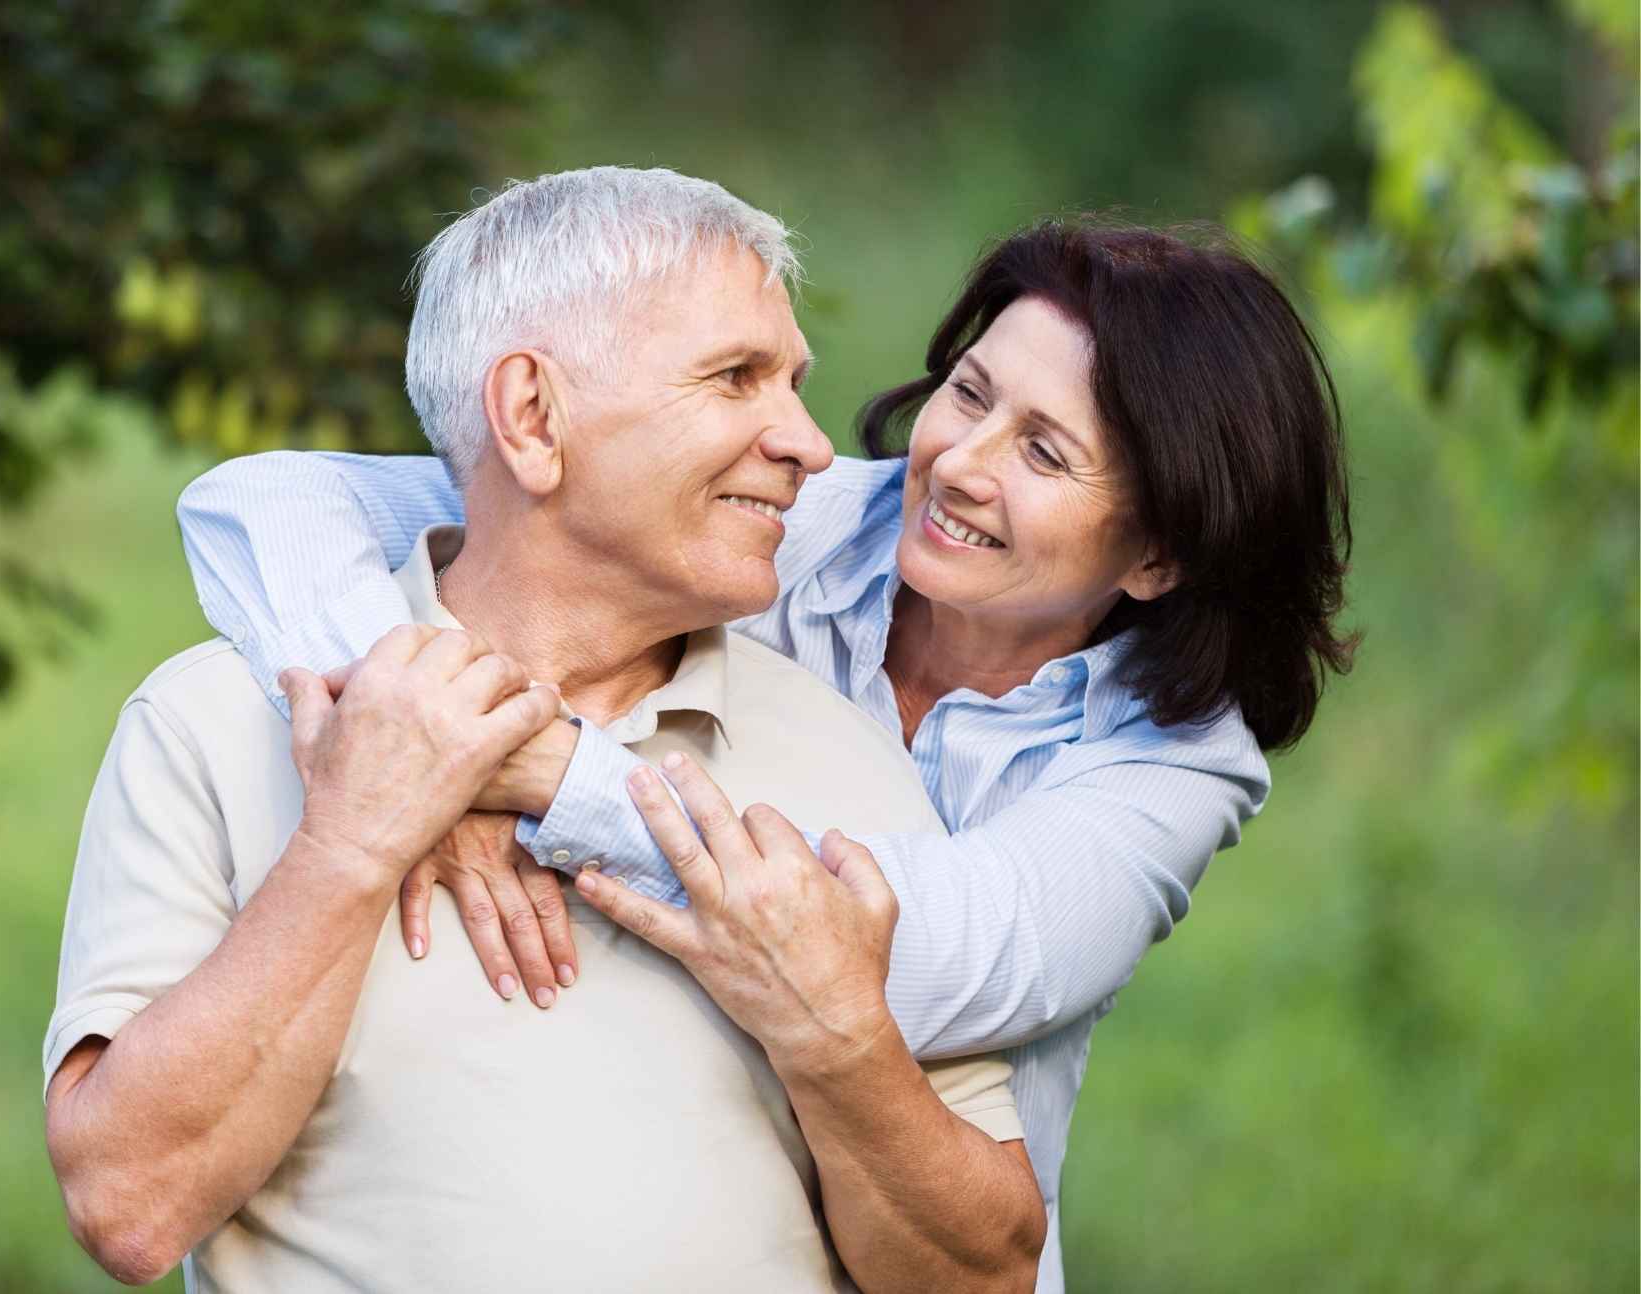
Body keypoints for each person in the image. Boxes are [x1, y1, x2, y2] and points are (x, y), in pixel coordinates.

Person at [176, 180, 1356, 1291]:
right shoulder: (781, 522)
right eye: (970, 393)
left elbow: (901, 952)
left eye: (1044, 452)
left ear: (1156, 553)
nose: (957, 464)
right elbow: (265, 504)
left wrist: (525, 770)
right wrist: (405, 730)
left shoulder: (1176, 762)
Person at [44, 166, 1046, 1293]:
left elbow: (986, 1277)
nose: (812, 446)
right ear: (530, 416)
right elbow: (128, 1208)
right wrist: (352, 844)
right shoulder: (211, 726)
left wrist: (838, 1040)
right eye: (735, 378)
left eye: (794, 385)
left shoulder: (845, 760)